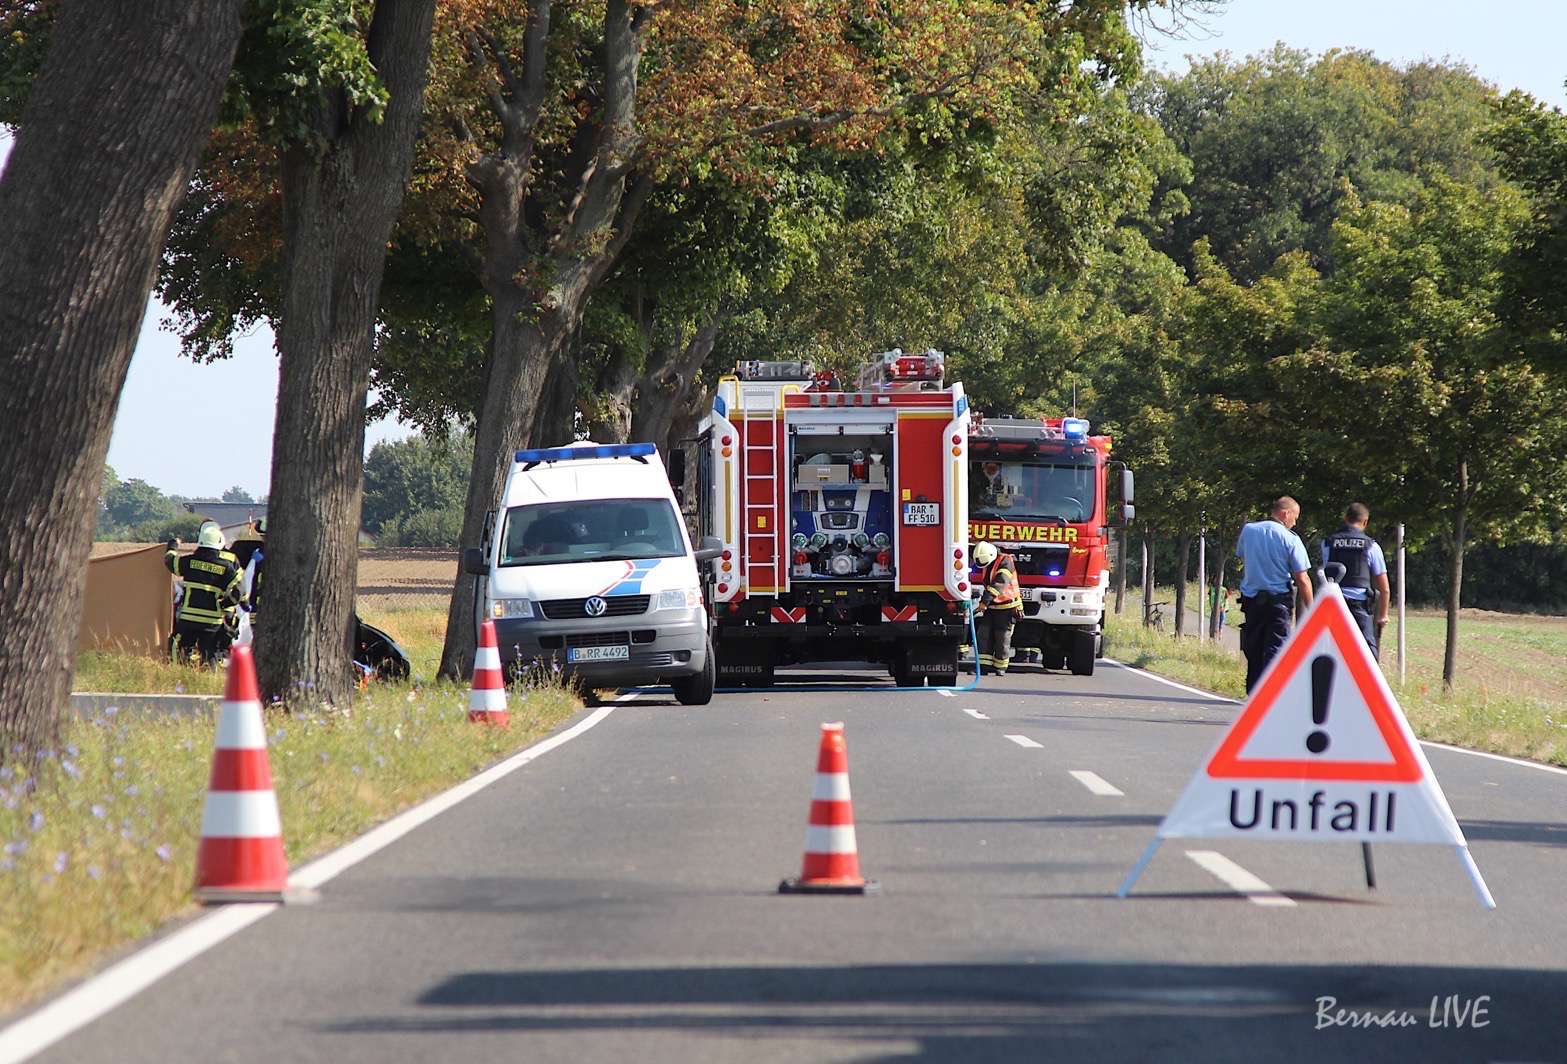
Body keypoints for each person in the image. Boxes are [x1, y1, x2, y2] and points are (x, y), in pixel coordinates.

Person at [1235, 496, 1314, 692]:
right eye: (1294, 517)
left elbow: (1243, 555)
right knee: (1276, 648)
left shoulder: (1249, 530)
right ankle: (1270, 693)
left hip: (1252, 602)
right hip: (1278, 603)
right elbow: (1303, 578)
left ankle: (1253, 691)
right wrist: (1312, 608)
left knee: (1253, 648)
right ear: (1285, 513)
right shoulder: (1291, 539)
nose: (1294, 523)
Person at [165, 524, 244, 666]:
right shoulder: (225, 567)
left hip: (189, 618)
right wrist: (224, 604)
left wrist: (172, 545)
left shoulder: (189, 561)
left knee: (178, 646)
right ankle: (211, 676)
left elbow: (170, 561)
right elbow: (240, 591)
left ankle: (178, 672)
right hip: (213, 621)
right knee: (210, 652)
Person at [1321, 502, 1390, 659]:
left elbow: (1326, 572)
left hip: (1334, 605)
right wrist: (1382, 615)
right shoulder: (1372, 546)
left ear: (1345, 518)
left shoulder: (1327, 543)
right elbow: (1384, 588)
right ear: (1365, 522)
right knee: (1367, 655)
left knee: (1331, 652)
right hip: (1359, 607)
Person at [972, 540, 1022, 676]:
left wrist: (984, 602)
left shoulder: (1006, 562)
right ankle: (983, 666)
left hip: (1007, 606)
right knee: (984, 634)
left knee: (1002, 637)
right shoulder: (989, 561)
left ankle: (1000, 667)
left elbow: (999, 583)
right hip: (992, 606)